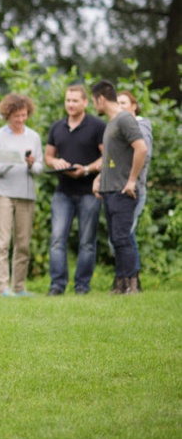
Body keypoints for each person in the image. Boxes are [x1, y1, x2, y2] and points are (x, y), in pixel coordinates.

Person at [44, 85, 106, 296]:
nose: (70, 104)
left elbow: (107, 157)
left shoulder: (97, 126)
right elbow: (48, 157)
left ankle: (82, 286)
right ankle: (57, 285)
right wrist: (57, 163)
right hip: (63, 192)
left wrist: (86, 169)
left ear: (85, 102)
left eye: (75, 100)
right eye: (68, 100)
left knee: (87, 242)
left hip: (89, 191)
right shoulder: (57, 127)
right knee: (57, 239)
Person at [91, 81, 147, 294]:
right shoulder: (111, 123)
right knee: (116, 238)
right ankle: (120, 283)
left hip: (123, 190)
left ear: (101, 99)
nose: (94, 105)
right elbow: (110, 158)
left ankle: (131, 285)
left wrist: (132, 180)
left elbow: (141, 149)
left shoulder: (124, 119)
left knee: (123, 238)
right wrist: (99, 180)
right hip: (109, 190)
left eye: (94, 100)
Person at [0, 93, 43, 297]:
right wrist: (12, 160)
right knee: (2, 242)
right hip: (2, 193)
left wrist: (31, 164)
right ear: (7, 115)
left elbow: (39, 168)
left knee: (23, 243)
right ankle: (4, 288)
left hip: (26, 194)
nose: (20, 119)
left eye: (24, 115)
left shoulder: (34, 137)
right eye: (16, 116)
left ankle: (19, 287)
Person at [117, 91, 152, 288]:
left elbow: (143, 153)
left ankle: (132, 280)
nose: (120, 106)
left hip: (134, 189)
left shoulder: (140, 127)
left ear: (134, 105)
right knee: (124, 236)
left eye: (124, 102)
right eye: (117, 103)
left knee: (125, 236)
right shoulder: (121, 127)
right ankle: (127, 280)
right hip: (120, 189)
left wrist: (131, 180)